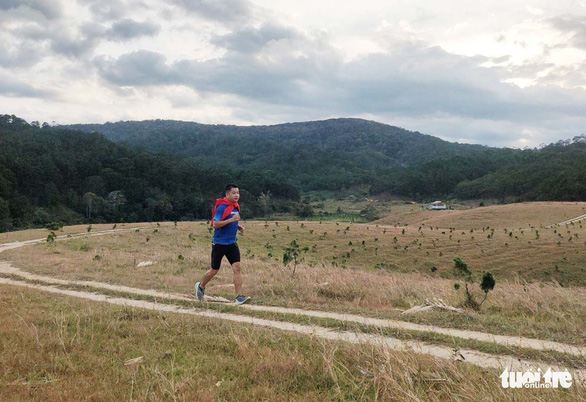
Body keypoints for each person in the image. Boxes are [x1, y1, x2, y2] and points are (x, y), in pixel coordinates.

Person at [195, 184, 250, 305]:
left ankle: (239, 297)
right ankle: (201, 286)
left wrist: (238, 226)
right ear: (227, 194)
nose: (237, 195)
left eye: (238, 193)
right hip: (219, 244)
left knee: (237, 268)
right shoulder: (221, 207)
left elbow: (232, 219)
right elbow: (215, 224)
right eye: (234, 193)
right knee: (214, 270)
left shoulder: (235, 206)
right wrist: (232, 220)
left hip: (231, 243)